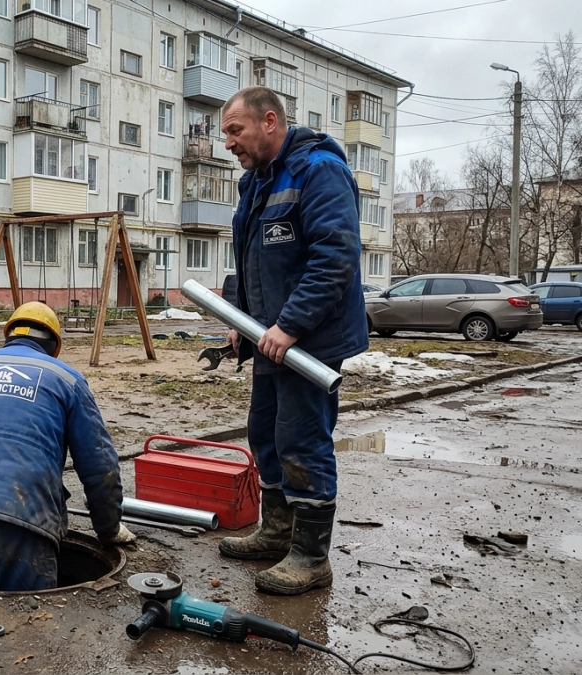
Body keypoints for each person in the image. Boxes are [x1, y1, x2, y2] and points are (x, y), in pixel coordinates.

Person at [217, 86, 368, 595]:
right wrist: (240, 319)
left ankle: (310, 556)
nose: (228, 143)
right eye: (225, 135)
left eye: (235, 131)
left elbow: (336, 257)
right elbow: (248, 260)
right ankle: (277, 531)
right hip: (269, 337)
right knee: (266, 434)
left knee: (303, 439)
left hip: (310, 340)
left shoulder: (319, 170)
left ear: (270, 121)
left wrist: (292, 325)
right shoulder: (254, 184)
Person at [0, 301, 134, 592]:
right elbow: (100, 467)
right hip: (23, 517)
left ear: (8, 336)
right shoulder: (67, 379)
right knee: (28, 626)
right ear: (53, 344)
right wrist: (108, 529)